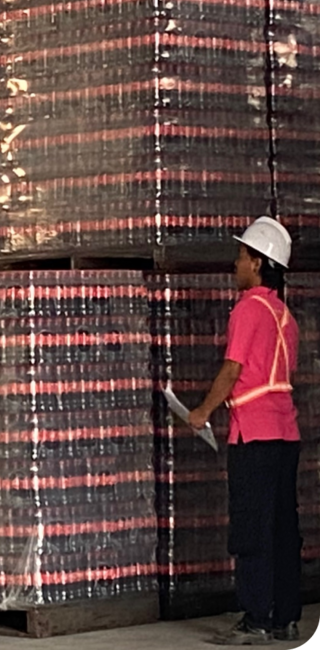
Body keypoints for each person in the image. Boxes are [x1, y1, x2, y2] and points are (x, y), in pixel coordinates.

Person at [189, 217, 302, 646]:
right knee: (283, 529)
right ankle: (285, 618)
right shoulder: (283, 315)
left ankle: (255, 618)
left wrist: (201, 412)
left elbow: (233, 369)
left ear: (258, 262)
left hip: (253, 435)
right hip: (285, 435)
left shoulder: (248, 308)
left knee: (252, 528)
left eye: (241, 256)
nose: (235, 263)